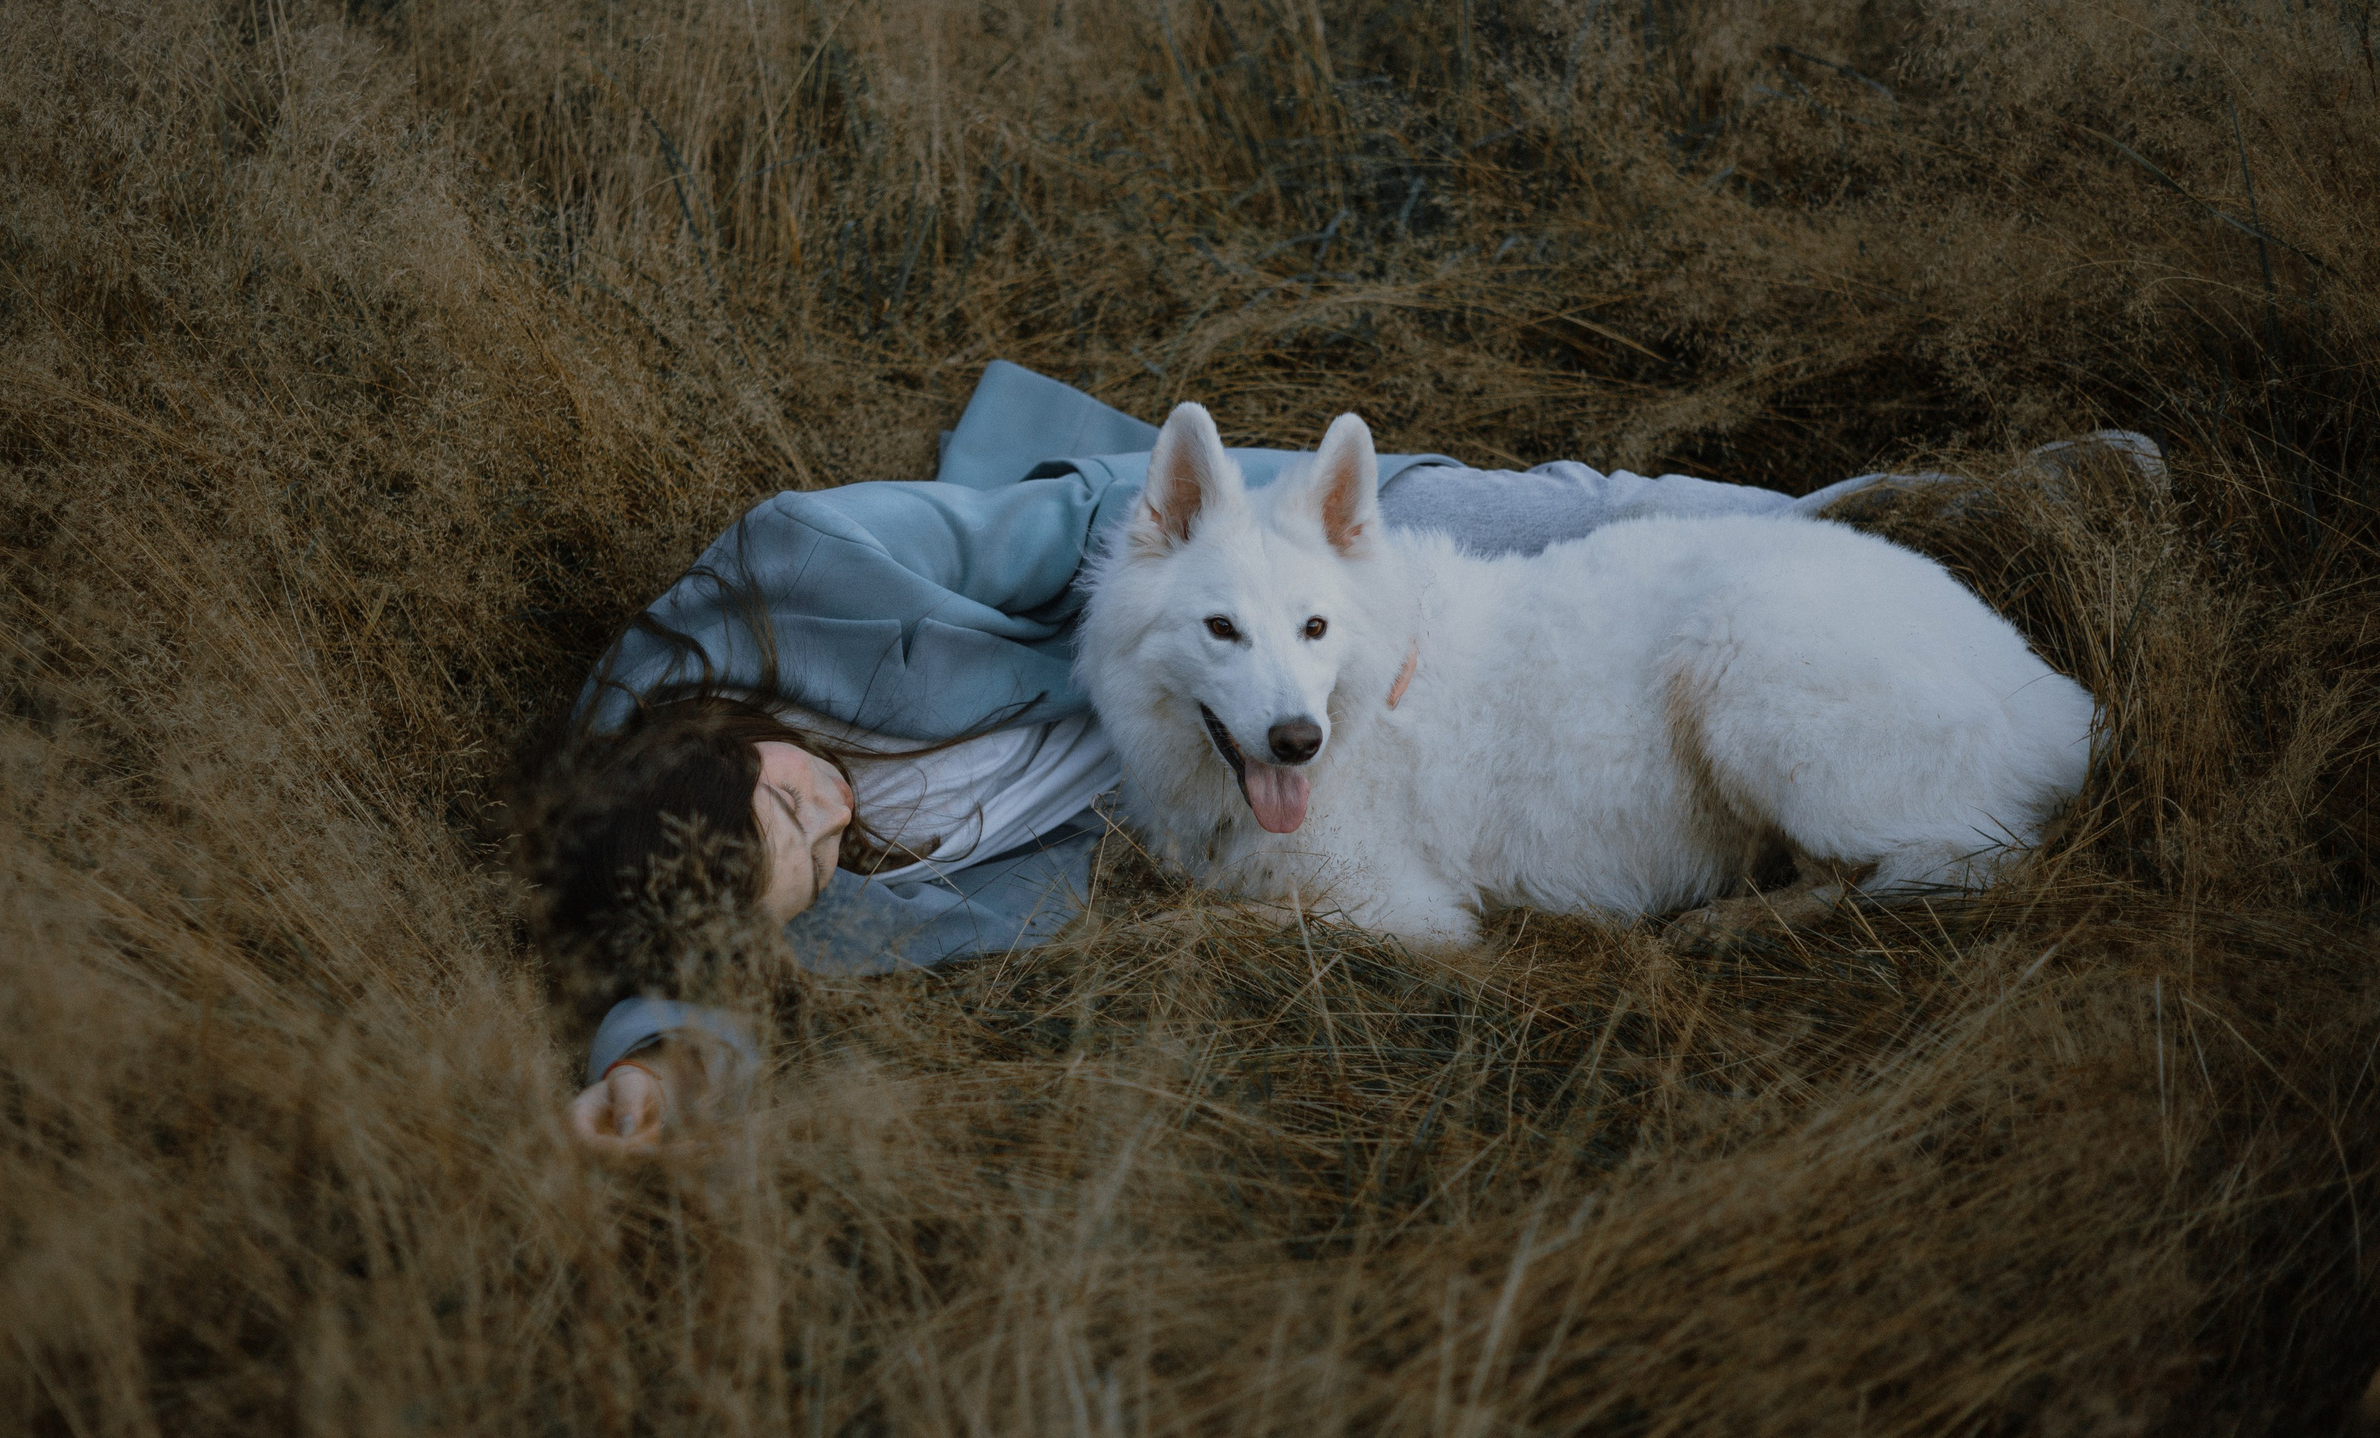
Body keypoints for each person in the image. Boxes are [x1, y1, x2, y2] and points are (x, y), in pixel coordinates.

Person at [524, 361, 2162, 1152]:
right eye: (809, 858)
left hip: (1244, 549)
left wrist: (1334, 609)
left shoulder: (795, 572)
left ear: (721, 735)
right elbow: (682, 939)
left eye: (784, 791)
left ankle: (1960, 500)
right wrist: (652, 1065)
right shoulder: (734, 869)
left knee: (1598, 508)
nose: (827, 812)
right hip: (1226, 695)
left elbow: (1085, 527)